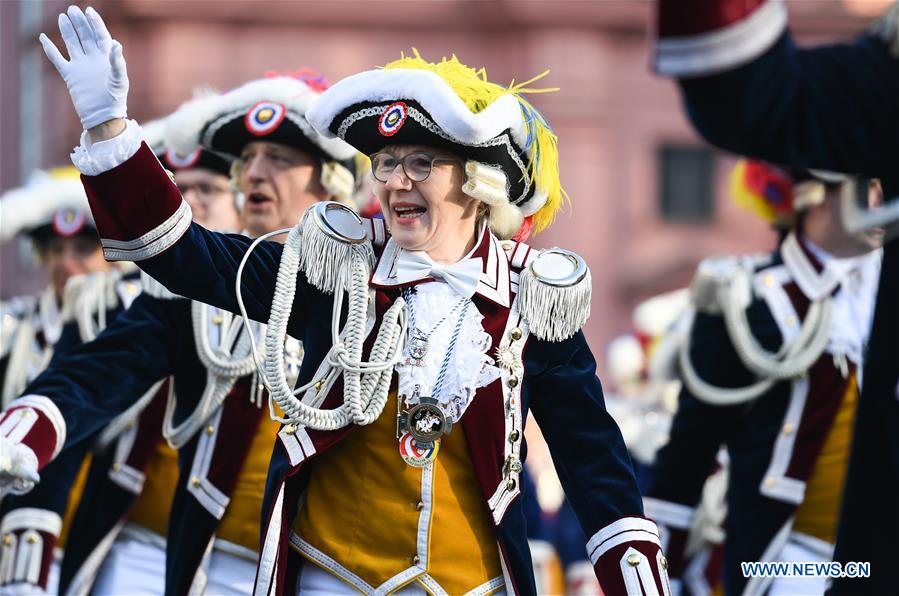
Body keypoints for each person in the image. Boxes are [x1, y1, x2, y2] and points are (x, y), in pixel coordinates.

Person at [4, 7, 672, 594]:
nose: (394, 181)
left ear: (477, 182)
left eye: (419, 163)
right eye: (386, 163)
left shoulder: (533, 298)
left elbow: (594, 464)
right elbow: (185, 258)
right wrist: (111, 132)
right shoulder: (331, 269)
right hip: (326, 575)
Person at [2, 72, 356, 594]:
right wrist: (25, 430)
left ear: (333, 180)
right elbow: (98, 375)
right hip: (192, 562)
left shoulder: (375, 288)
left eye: (278, 159)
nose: (254, 174)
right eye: (246, 161)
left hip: (322, 570)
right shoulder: (197, 293)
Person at [644, 160, 882, 595]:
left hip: (878, 557)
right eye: (871, 185)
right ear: (816, 194)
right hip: (794, 562)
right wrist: (663, 578)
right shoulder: (745, 299)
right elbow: (688, 455)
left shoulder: (882, 295)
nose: (883, 201)